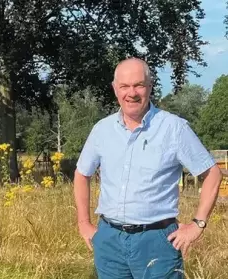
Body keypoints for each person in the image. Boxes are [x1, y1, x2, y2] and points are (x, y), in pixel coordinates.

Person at [74, 57, 222, 279]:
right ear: (115, 89)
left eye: (139, 85)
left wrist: (197, 224)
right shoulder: (101, 130)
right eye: (124, 86)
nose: (131, 93)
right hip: (109, 240)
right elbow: (81, 174)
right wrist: (84, 223)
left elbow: (212, 174)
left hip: (157, 241)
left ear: (150, 87)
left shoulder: (173, 128)